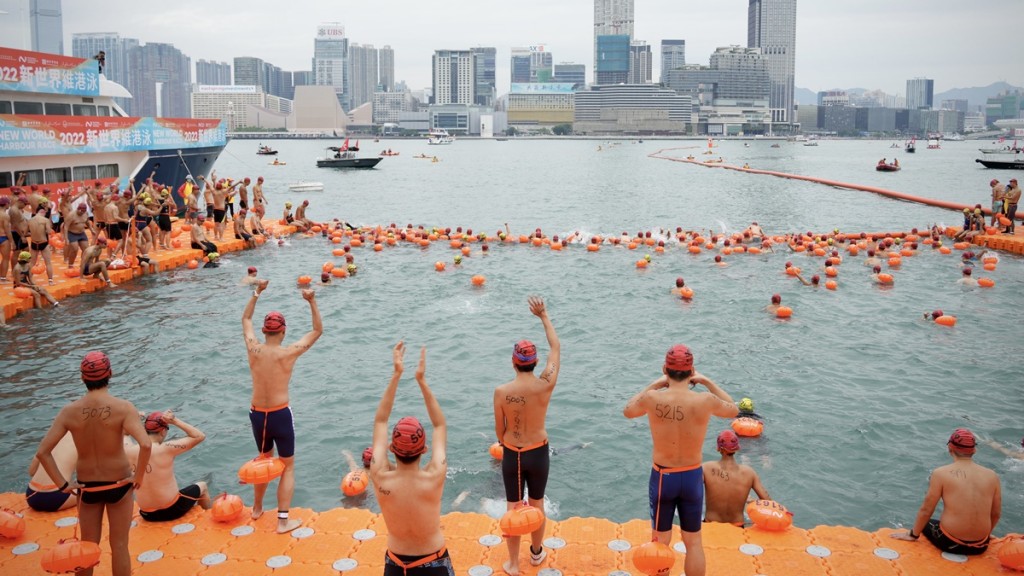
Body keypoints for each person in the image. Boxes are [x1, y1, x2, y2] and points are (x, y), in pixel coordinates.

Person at [623, 345, 738, 576]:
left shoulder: (653, 398)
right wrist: (707, 381)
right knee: (693, 542)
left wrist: (656, 383)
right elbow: (733, 409)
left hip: (664, 477)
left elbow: (628, 410)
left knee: (659, 544)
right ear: (692, 371)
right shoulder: (705, 400)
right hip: (693, 476)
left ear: (665, 369)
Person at [34, 351, 152, 576]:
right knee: (119, 546)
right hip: (118, 484)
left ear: (82, 378)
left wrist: (62, 485)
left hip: (88, 487)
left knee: (86, 548)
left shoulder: (69, 411)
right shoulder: (123, 407)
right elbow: (146, 445)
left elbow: (43, 453)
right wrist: (138, 477)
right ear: (111, 374)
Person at [241, 279, 323, 533]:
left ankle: (256, 509)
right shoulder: (289, 352)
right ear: (283, 332)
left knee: (263, 459)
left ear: (264, 331)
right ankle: (283, 521)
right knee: (287, 467)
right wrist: (311, 301)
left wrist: (257, 293)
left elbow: (245, 320)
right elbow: (317, 331)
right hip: (280, 414)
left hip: (257, 415)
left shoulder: (253, 348)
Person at [369, 343, 454, 576]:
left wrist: (396, 375)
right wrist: (421, 381)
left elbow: (380, 421)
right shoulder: (435, 475)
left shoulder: (379, 475)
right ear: (424, 449)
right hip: (433, 564)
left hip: (396, 565)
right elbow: (440, 424)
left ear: (390, 448)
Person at [493, 296, 561, 575]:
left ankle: (513, 563)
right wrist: (544, 315)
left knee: (513, 507)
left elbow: (500, 431)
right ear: (534, 363)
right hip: (539, 451)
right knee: (537, 503)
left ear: (513, 361)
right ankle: (536, 554)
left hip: (514, 453)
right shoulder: (546, 383)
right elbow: (555, 347)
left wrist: (509, 441)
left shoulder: (501, 392)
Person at [891, 428, 1001, 556]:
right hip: (981, 546)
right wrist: (986, 535)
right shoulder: (992, 475)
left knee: (927, 523)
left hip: (950, 543)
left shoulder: (940, 473)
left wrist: (913, 535)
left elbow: (926, 509)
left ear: (950, 448)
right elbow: (996, 513)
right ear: (974, 450)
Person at [126, 410, 211, 522]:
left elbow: (122, 433)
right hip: (172, 510)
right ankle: (208, 519)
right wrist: (175, 421)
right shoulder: (167, 448)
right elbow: (199, 436)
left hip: (147, 514)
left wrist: (133, 419)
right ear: (163, 431)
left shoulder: (127, 451)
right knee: (203, 486)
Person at [702, 430, 769, 526]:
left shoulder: (706, 468)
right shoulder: (749, 473)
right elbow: (767, 501)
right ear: (737, 448)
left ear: (718, 448)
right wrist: (752, 501)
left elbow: (690, 492)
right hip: (737, 527)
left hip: (711, 524)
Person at [26, 432, 78, 512]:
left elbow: (31, 472)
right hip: (55, 498)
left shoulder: (54, 434)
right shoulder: (85, 436)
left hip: (31, 494)